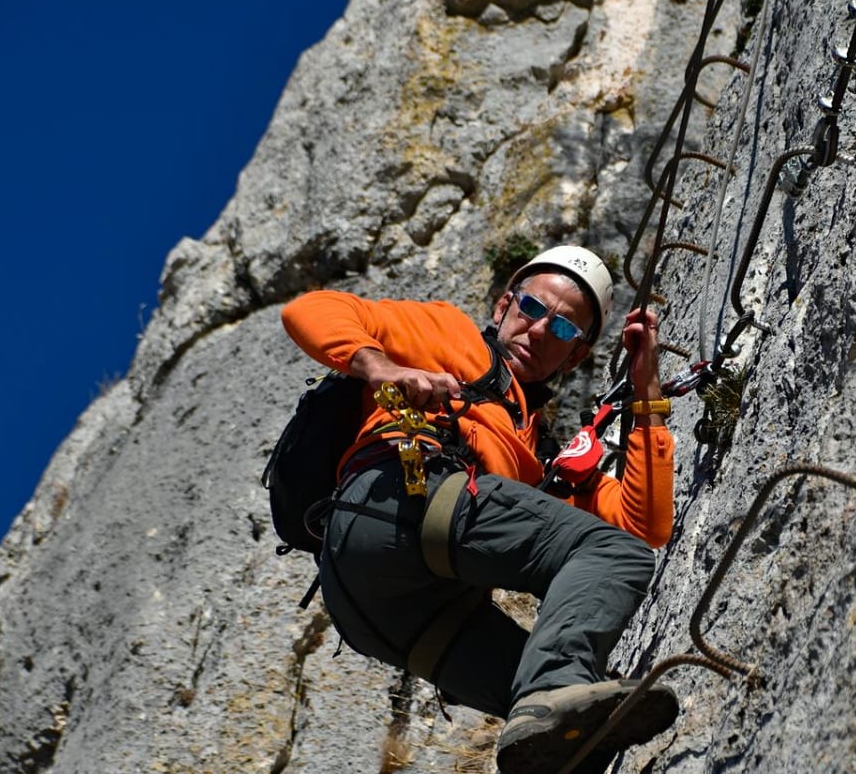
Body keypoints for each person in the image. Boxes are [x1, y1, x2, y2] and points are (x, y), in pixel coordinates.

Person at [281, 245, 679, 772]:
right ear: (503, 307)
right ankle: (553, 688)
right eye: (532, 310)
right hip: (398, 498)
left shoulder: (533, 464)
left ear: (576, 356)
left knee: (574, 739)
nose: (537, 331)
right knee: (602, 575)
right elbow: (307, 310)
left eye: (562, 332)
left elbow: (643, 524)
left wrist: (646, 386)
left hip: (373, 605)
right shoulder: (450, 335)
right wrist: (378, 366)